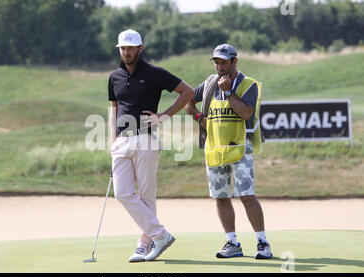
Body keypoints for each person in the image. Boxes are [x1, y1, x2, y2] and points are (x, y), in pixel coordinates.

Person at [108, 29, 194, 262]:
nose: (126, 52)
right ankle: (161, 236)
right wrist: (111, 139)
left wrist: (164, 116)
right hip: (122, 141)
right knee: (123, 193)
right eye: (123, 48)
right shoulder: (114, 77)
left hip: (146, 139)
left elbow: (187, 91)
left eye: (130, 48)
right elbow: (114, 108)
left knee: (146, 196)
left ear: (140, 49)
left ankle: (144, 245)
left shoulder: (155, 73)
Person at [184, 44, 272, 259]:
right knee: (221, 197)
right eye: (216, 62)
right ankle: (232, 243)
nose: (219, 66)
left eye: (223, 62)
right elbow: (188, 100)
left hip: (240, 148)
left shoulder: (248, 84)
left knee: (247, 196)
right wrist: (199, 118)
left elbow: (245, 112)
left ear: (235, 62)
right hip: (215, 148)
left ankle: (262, 242)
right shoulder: (208, 84)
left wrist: (228, 92)